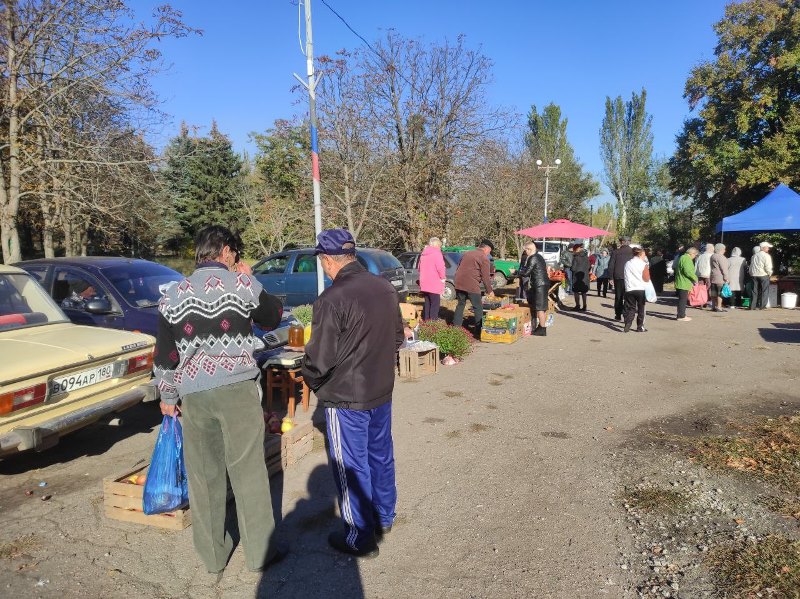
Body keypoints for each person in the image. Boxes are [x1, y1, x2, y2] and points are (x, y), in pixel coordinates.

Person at [152, 225, 285, 575]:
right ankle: (260, 553)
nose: (237, 261)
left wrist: (167, 395)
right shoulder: (241, 285)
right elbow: (273, 315)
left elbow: (165, 354)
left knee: (204, 476)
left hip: (193, 395)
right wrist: (251, 278)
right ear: (226, 251)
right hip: (237, 390)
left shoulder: (171, 295)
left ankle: (213, 556)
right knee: (248, 472)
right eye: (236, 255)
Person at [301, 228, 404, 558]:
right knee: (379, 455)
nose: (322, 268)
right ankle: (383, 516)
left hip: (346, 397)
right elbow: (398, 339)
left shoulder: (331, 299)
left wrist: (313, 380)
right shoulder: (384, 287)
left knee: (350, 464)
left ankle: (359, 536)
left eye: (321, 262)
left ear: (327, 260)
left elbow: (319, 361)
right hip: (379, 390)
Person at [452, 240, 495, 339]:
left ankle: (456, 328)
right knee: (477, 307)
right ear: (486, 248)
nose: (489, 253)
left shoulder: (467, 253)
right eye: (490, 251)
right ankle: (479, 330)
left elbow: (459, 267)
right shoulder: (483, 258)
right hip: (471, 284)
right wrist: (490, 291)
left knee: (461, 304)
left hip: (459, 282)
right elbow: (485, 277)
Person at [518, 241, 548, 336]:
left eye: (525, 250)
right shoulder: (539, 256)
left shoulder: (533, 257)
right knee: (541, 307)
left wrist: (516, 272)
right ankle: (540, 327)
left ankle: (542, 329)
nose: (525, 252)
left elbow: (527, 272)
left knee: (540, 308)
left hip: (539, 284)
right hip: (542, 283)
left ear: (529, 249)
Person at [622, 247, 650, 333]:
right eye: (644, 255)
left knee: (631, 308)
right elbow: (646, 278)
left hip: (629, 288)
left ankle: (628, 323)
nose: (645, 256)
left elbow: (625, 275)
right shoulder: (643, 264)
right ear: (640, 255)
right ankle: (640, 327)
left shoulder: (627, 263)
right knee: (641, 308)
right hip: (640, 288)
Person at [418, 237, 446, 321]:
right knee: (435, 304)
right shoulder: (437, 253)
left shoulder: (423, 254)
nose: (440, 248)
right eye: (439, 246)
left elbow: (419, 268)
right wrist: (443, 278)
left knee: (427, 303)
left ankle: (426, 321)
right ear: (436, 245)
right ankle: (433, 323)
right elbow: (441, 268)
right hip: (434, 283)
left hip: (424, 282)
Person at [608, 236, 634, 321]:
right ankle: (626, 315)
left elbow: (611, 265)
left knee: (618, 296)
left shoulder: (616, 252)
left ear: (622, 242)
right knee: (628, 297)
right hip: (630, 277)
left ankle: (618, 315)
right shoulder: (633, 252)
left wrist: (610, 277)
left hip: (618, 277)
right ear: (629, 242)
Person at [674, 246, 699, 321]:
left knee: (682, 299)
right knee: (683, 300)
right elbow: (688, 271)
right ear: (692, 253)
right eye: (695, 255)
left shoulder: (683, 257)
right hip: (684, 282)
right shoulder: (687, 259)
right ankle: (681, 316)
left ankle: (681, 314)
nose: (695, 257)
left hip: (681, 281)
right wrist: (695, 278)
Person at [749, 241, 774, 309]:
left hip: (754, 275)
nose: (768, 249)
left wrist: (751, 273)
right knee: (764, 291)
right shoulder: (766, 256)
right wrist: (770, 273)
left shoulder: (754, 256)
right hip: (763, 274)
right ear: (763, 248)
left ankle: (752, 306)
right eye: (768, 247)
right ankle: (762, 306)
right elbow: (768, 267)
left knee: (754, 291)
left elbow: (751, 266)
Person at [709, 243, 730, 312]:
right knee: (720, 293)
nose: (725, 250)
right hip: (720, 277)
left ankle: (713, 306)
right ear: (721, 249)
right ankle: (719, 307)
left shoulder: (712, 256)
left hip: (713, 276)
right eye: (724, 249)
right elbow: (724, 268)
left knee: (713, 293)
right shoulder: (721, 257)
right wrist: (726, 277)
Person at [570, 243, 590, 312]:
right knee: (584, 292)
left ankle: (577, 305)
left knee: (576, 292)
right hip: (585, 277)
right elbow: (589, 267)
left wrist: (571, 267)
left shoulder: (576, 257)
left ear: (576, 250)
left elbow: (573, 268)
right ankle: (584, 306)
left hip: (577, 277)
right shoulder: (586, 257)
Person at [695, 243, 714, 308]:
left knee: (701, 288)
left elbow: (696, 265)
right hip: (708, 274)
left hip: (700, 274)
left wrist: (696, 274)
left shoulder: (700, 256)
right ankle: (708, 301)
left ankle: (701, 302)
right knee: (709, 288)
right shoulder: (712, 256)